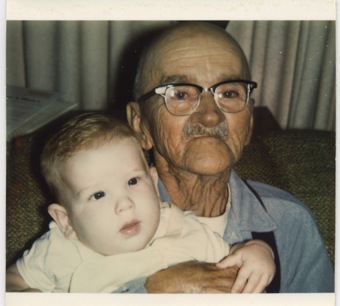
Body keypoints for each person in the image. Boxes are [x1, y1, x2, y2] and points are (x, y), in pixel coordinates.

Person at [125, 21, 334, 293]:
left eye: (229, 93)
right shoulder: (102, 221)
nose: (211, 115)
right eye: (180, 94)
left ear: (248, 124)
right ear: (141, 124)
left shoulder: (290, 223)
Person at [6, 113, 275, 293]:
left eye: (133, 182)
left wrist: (258, 251)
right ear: (66, 221)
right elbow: (10, 282)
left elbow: (233, 260)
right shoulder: (59, 250)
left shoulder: (183, 228)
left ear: (155, 184)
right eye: (99, 195)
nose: (124, 204)